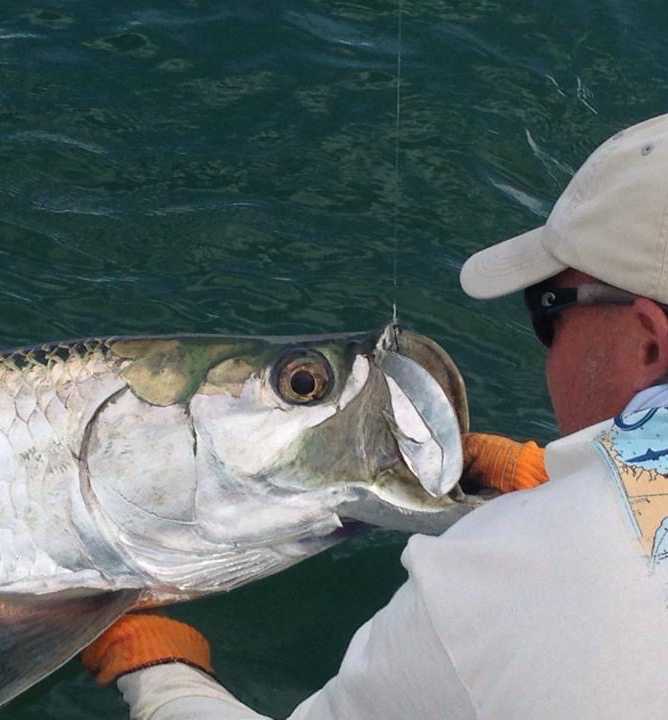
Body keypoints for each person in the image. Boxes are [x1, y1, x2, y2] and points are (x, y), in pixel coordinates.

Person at [83, 112, 668, 719]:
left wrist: (159, 676)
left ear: (647, 343)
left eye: (546, 310)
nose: (547, 339)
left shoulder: (494, 587)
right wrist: (582, 479)